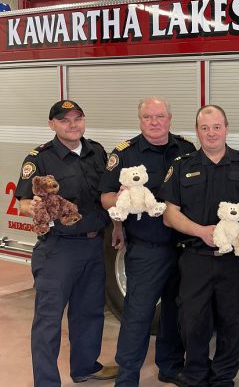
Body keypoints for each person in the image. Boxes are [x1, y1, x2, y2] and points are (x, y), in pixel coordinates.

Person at [158, 105, 239, 387]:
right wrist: (201, 232)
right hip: (196, 258)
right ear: (197, 131)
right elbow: (170, 215)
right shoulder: (182, 166)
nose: (211, 133)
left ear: (227, 128)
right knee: (193, 322)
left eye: (216, 126)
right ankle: (195, 374)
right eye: (204, 128)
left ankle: (222, 378)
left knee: (234, 322)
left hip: (235, 261)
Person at [15, 100, 116, 387]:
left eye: (78, 118)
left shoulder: (97, 151)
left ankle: (85, 367)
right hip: (59, 248)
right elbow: (23, 202)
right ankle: (46, 382)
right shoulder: (40, 158)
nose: (73, 125)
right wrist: (35, 207)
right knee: (48, 321)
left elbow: (106, 194)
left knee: (90, 311)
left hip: (95, 245)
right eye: (64, 120)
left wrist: (117, 226)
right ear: (52, 125)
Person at [99, 97, 195, 386]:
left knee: (176, 312)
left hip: (182, 247)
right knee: (138, 314)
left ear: (170, 118)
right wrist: (123, 206)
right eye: (148, 117)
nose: (154, 122)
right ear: (139, 120)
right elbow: (105, 197)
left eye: (160, 116)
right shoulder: (125, 153)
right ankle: (127, 377)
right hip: (147, 249)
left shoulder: (186, 149)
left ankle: (170, 366)